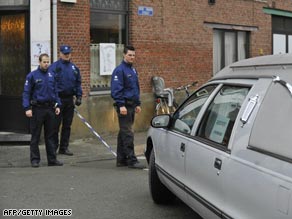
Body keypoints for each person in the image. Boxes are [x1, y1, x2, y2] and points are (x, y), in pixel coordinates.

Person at [22, 53, 63, 167]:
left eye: (47, 62)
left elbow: (55, 92)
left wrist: (58, 105)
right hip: (37, 109)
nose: (46, 64)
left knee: (50, 136)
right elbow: (26, 93)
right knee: (35, 135)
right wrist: (27, 108)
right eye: (44, 62)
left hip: (50, 108)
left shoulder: (52, 75)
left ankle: (52, 159)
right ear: (39, 62)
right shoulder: (32, 76)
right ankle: (35, 160)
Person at [111, 45, 145, 169]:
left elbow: (135, 88)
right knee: (128, 133)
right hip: (124, 106)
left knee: (123, 133)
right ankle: (131, 160)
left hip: (131, 105)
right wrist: (121, 105)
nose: (132, 57)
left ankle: (121, 159)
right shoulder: (119, 70)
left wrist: (137, 104)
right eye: (129, 55)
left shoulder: (133, 70)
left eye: (133, 55)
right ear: (124, 55)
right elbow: (116, 89)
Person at [49, 45, 83, 156]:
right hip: (58, 99)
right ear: (60, 54)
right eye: (64, 53)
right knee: (55, 125)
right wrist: (54, 100)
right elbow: (50, 84)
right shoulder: (54, 67)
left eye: (68, 53)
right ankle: (53, 148)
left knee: (67, 125)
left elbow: (78, 83)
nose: (67, 55)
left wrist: (79, 96)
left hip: (69, 99)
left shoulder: (74, 68)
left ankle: (64, 147)